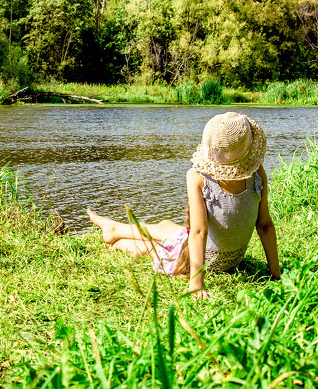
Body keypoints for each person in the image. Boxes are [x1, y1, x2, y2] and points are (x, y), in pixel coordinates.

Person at [87, 111, 281, 298]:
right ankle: (113, 228)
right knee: (165, 226)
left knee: (154, 248)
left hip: (208, 262)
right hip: (235, 257)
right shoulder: (257, 173)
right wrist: (275, 274)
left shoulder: (197, 177)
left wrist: (196, 283)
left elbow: (198, 232)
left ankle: (117, 237)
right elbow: (265, 226)